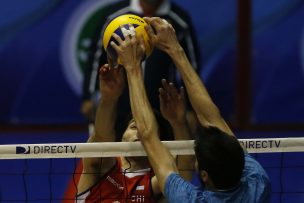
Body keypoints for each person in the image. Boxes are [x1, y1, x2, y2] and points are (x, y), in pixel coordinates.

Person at [110, 18, 271, 202]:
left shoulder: (187, 199)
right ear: (242, 163)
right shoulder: (258, 184)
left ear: (204, 175)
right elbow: (212, 120)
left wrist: (132, 68)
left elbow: (148, 136)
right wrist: (174, 49)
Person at [76, 53, 192, 202]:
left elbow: (185, 170)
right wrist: (109, 98)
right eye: (132, 127)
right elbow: (102, 138)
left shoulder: (159, 181)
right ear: (122, 135)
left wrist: (178, 123)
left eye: (148, 132)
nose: (140, 133)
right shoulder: (103, 166)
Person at [81, 0, 200, 139]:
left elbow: (191, 66)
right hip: (120, 106)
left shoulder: (179, 20)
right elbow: (95, 57)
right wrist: (88, 96)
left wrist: (192, 108)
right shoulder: (113, 16)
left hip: (162, 108)